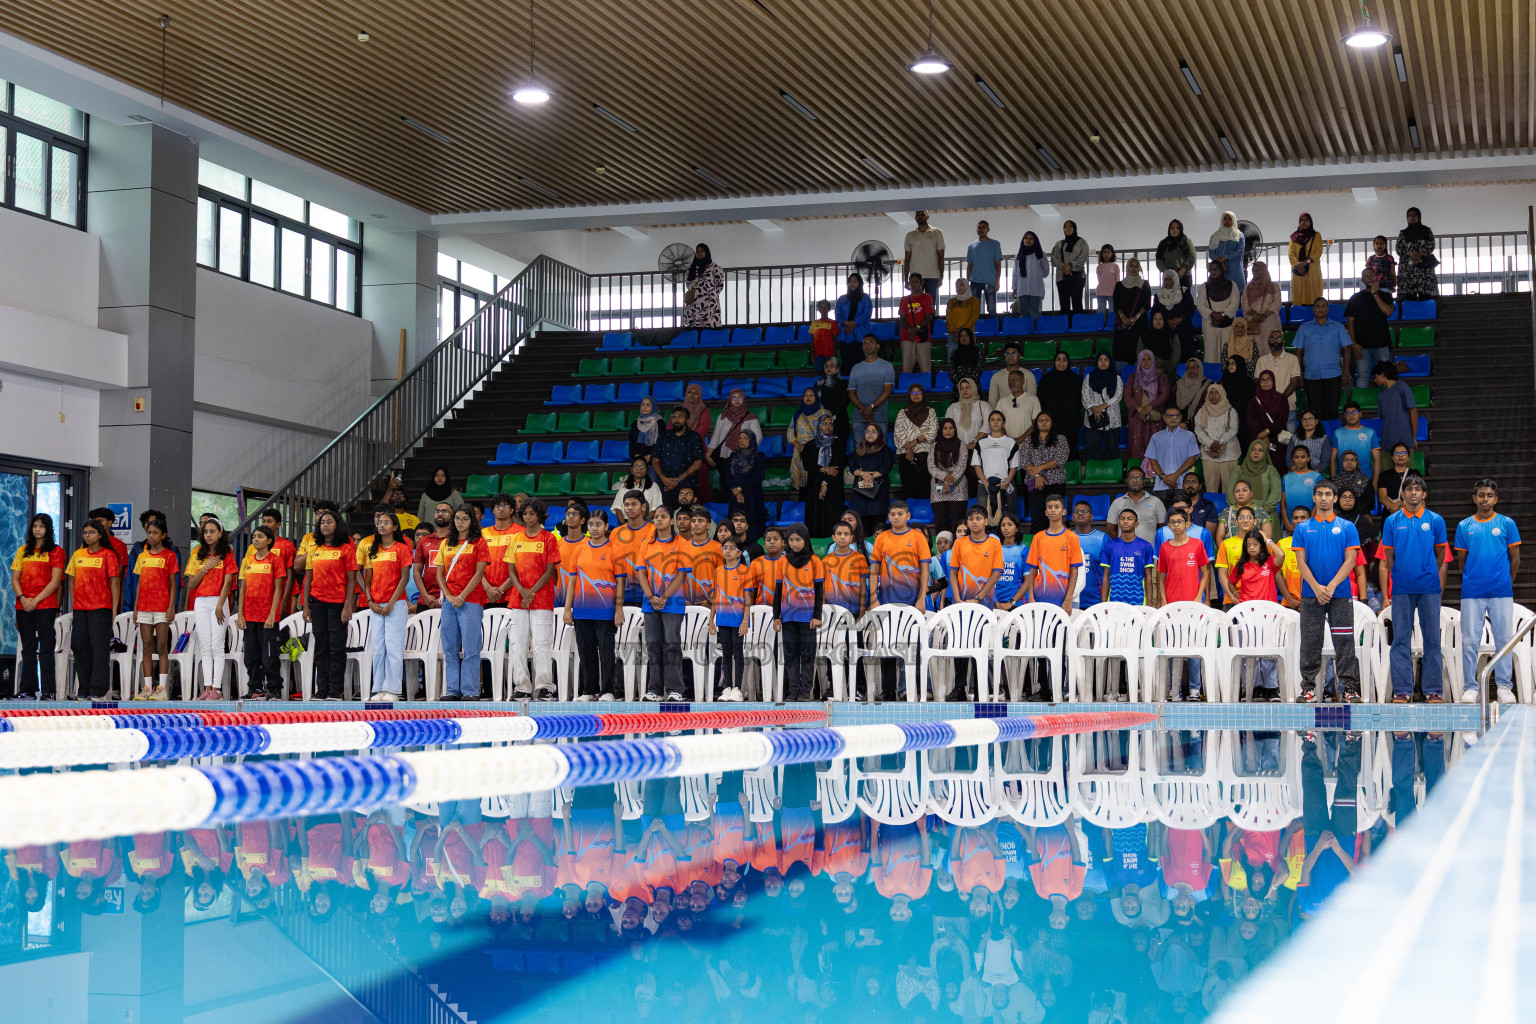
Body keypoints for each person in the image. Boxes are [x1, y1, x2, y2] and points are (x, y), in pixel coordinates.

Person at [1379, 474, 1447, 702]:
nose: (1414, 492)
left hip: (1429, 587)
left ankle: (1433, 690)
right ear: (1403, 494)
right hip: (1402, 587)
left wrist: (1428, 571)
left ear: (1424, 494)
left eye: (1418, 489)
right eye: (1409, 489)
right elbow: (1389, 556)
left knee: (1432, 639)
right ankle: (1402, 690)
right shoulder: (1391, 521)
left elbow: (1440, 554)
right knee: (1400, 639)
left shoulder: (1436, 520)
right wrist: (1401, 572)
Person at [1293, 480, 1362, 702]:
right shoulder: (1302, 528)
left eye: (1328, 494)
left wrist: (1330, 587)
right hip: (1311, 595)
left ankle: (1349, 688)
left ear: (1335, 498)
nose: (1324, 498)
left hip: (1339, 594)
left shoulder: (1347, 527)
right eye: (1320, 494)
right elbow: (1301, 563)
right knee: (1310, 643)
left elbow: (1351, 561)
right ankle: (1308, 689)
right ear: (1314, 498)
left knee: (1344, 642)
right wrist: (1316, 587)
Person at [1456, 479, 1522, 704]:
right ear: (1474, 498)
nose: (1485, 499)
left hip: (1501, 591)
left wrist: (1505, 581)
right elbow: (1462, 561)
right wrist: (1474, 578)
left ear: (1496, 499)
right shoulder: (1464, 526)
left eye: (1490, 495)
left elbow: (1515, 559)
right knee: (1469, 641)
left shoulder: (1507, 523)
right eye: (1481, 495)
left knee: (1504, 639)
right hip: (1472, 591)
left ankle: (1504, 687)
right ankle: (1470, 687)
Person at [563, 506, 624, 701]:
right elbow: (572, 582)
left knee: (606, 653)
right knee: (586, 652)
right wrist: (567, 609)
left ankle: (607, 691)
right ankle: (588, 691)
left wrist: (619, 610)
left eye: (598, 524)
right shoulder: (579, 549)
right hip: (582, 610)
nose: (594, 528)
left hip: (606, 611)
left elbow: (620, 582)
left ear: (606, 526)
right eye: (591, 524)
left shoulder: (615, 550)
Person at [505, 499, 563, 701]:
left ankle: (545, 687)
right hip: (518, 600)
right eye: (525, 514)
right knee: (518, 644)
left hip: (542, 599)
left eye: (532, 513)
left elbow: (550, 571)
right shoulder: (516, 538)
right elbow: (511, 570)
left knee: (541, 644)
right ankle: (522, 687)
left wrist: (531, 592)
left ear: (540, 515)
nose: (528, 517)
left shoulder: (549, 538)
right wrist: (522, 591)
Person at [637, 505, 692, 702]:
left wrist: (665, 597)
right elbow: (641, 573)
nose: (659, 520)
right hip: (650, 603)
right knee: (653, 646)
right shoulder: (646, 544)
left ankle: (675, 689)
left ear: (672, 521)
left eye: (663, 516)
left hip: (673, 603)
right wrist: (651, 596)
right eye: (656, 517)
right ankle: (655, 690)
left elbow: (681, 574)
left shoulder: (681, 543)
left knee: (671, 645)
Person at [1155, 509, 1211, 699]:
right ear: (1168, 525)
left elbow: (1205, 572)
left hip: (1193, 603)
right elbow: (1161, 576)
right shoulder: (1164, 547)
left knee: (1194, 646)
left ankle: (1195, 689)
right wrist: (1163, 600)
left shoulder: (1197, 544)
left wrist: (1199, 596)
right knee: (1172, 646)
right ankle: (1174, 689)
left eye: (1180, 521)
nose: (1176, 525)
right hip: (1171, 605)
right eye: (1172, 522)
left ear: (1187, 524)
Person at [435, 506, 489, 701]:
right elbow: (439, 573)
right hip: (449, 602)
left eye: (464, 519)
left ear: (471, 521)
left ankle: (470, 690)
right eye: (457, 518)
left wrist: (462, 596)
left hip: (471, 600)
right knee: (449, 647)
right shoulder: (446, 543)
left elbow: (479, 573)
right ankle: (452, 690)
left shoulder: (479, 542)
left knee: (471, 647)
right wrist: (449, 595)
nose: (460, 522)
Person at [65, 518, 120, 700]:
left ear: (100, 535)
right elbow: (71, 581)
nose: (87, 536)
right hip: (80, 609)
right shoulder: (78, 554)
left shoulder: (108, 555)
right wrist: (75, 603)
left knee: (99, 649)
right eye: (85, 532)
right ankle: (84, 689)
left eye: (91, 532)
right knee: (80, 647)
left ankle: (97, 689)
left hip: (101, 608)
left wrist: (113, 609)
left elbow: (115, 583)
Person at [11, 513, 65, 700]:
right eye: (35, 526)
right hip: (23, 605)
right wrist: (23, 598)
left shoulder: (56, 551)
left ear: (48, 529)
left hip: (45, 605)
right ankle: (28, 690)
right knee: (27, 648)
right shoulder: (22, 550)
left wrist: (35, 600)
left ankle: (48, 691)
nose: (37, 529)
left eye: (41, 526)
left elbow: (55, 582)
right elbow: (15, 579)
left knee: (46, 648)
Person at [185, 517, 238, 701]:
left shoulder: (227, 553)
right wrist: (205, 568)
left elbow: (228, 582)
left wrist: (220, 605)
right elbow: (191, 584)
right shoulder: (197, 553)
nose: (208, 535)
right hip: (200, 601)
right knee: (205, 645)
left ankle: (217, 688)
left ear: (220, 533)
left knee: (217, 644)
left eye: (212, 531)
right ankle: (207, 688)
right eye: (206, 532)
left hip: (219, 600)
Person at [129, 516, 178, 700]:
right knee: (146, 646)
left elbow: (173, 584)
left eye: (155, 533)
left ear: (163, 535)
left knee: (162, 646)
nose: (151, 536)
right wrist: (136, 608)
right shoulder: (142, 556)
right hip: (144, 607)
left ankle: (162, 688)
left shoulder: (170, 556)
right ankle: (147, 688)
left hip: (162, 607)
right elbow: (139, 584)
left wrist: (171, 606)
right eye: (149, 533)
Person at [774, 524, 824, 701]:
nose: (794, 543)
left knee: (808, 655)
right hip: (788, 617)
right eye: (791, 540)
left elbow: (819, 591)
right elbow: (778, 591)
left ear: (806, 540)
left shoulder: (815, 561)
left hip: (808, 617)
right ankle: (793, 690)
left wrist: (817, 616)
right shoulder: (782, 561)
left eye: (798, 539)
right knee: (790, 655)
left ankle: (805, 691)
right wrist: (776, 616)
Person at [238, 524, 286, 701]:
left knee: (269, 655)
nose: (255, 539)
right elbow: (242, 588)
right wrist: (240, 614)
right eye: (254, 537)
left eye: (260, 536)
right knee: (251, 655)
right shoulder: (247, 561)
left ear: (269, 540)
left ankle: (274, 689)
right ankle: (255, 688)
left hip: (268, 617)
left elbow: (278, 589)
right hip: (250, 615)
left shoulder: (275, 560)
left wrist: (272, 614)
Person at [708, 535, 750, 700]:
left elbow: (748, 600)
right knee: (726, 654)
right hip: (723, 619)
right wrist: (711, 620)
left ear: (739, 553)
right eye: (725, 547)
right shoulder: (718, 571)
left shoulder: (744, 571)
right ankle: (727, 688)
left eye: (732, 548)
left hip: (738, 619)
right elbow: (715, 597)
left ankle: (737, 688)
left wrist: (745, 621)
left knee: (737, 653)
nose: (727, 551)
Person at [1024, 496, 1082, 611]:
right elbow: (1033, 569)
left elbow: (1074, 570)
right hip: (1040, 596)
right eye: (1050, 507)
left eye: (1057, 507)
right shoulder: (1038, 537)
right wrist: (1031, 595)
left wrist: (1068, 599)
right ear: (1046, 512)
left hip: (1062, 598)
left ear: (1064, 511)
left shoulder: (1072, 537)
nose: (1053, 510)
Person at [872, 500, 931, 611]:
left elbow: (925, 570)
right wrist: (873, 599)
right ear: (888, 517)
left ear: (908, 516)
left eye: (900, 514)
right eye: (893, 514)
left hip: (913, 599)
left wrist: (921, 598)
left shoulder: (918, 537)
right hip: (885, 599)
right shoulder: (880, 538)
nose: (896, 517)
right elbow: (874, 570)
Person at [1018, 412, 1070, 531]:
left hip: (1055, 483)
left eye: (1047, 420)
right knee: (1037, 518)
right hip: (1035, 483)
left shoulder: (1060, 439)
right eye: (1040, 420)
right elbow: (1025, 461)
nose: (1043, 423)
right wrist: (1037, 475)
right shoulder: (1028, 441)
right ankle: (1038, 541)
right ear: (1036, 424)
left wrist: (1040, 468)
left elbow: (1060, 459)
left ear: (1052, 423)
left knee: (1055, 517)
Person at [1345, 268, 1395, 390]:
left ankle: (1387, 400)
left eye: (1372, 274)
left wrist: (1375, 294)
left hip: (1382, 344)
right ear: (1362, 280)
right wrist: (1353, 344)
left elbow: (1388, 312)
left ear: (1377, 277)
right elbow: (1350, 323)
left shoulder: (1386, 296)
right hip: (1362, 347)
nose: (1370, 277)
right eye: (1366, 276)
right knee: (1362, 377)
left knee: (1386, 376)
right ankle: (1361, 401)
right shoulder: (1355, 298)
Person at [703, 388, 758, 492]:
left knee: (742, 487)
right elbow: (716, 437)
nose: (737, 400)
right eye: (734, 397)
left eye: (740, 397)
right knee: (727, 487)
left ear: (744, 399)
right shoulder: (722, 417)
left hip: (744, 458)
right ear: (729, 400)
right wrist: (708, 454)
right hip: (725, 457)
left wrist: (746, 452)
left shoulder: (751, 418)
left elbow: (757, 438)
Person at [1142, 406, 1201, 502]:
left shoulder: (1189, 436)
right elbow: (1153, 460)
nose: (1172, 418)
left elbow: (1192, 458)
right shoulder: (1156, 437)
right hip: (1161, 485)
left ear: (1180, 418)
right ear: (1164, 418)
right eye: (1169, 415)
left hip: (1182, 485)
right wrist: (1163, 477)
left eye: (1175, 415)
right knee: (1161, 512)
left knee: (1182, 511)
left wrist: (1175, 475)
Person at [653, 405, 707, 506]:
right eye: (674, 417)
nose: (676, 420)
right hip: (665, 484)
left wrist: (678, 479)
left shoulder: (695, 437)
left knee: (685, 513)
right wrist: (664, 479)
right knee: (665, 513)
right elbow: (655, 460)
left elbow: (698, 462)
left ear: (687, 419)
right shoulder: (664, 436)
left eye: (680, 417)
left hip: (687, 484)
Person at [804, 414, 847, 537]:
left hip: (833, 485)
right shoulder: (810, 445)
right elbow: (808, 465)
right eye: (825, 424)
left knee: (832, 517)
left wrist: (825, 483)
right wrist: (824, 469)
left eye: (831, 424)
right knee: (815, 517)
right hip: (814, 486)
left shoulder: (838, 443)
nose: (828, 427)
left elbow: (837, 466)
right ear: (819, 426)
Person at [478, 493, 523, 610]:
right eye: (498, 506)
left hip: (511, 595)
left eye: (506, 506)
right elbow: (475, 565)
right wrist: (488, 588)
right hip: (485, 594)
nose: (501, 509)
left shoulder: (521, 533)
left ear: (512, 510)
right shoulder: (482, 534)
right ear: (493, 510)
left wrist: (501, 590)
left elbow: (522, 567)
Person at [1101, 509, 1156, 605]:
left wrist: (1149, 602)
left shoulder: (1145, 546)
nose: (1125, 521)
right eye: (1122, 519)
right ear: (1118, 524)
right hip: (1114, 600)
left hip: (1139, 600)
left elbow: (1148, 577)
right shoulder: (1110, 545)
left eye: (1129, 519)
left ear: (1136, 524)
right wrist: (1104, 602)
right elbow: (1106, 576)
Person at [1253, 328, 1302, 433]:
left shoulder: (1292, 359)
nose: (1275, 340)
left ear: (1283, 341)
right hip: (1267, 407)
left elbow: (1294, 383)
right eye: (1272, 338)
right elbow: (1258, 382)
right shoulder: (1261, 360)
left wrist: (1280, 400)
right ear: (1268, 341)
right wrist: (1271, 401)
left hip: (1288, 406)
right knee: (1270, 438)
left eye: (1279, 338)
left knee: (1289, 439)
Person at [893, 384, 937, 501]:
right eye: (913, 393)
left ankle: (923, 508)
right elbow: (898, 432)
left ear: (923, 395)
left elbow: (932, 431)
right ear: (909, 395)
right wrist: (908, 449)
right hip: (905, 452)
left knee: (924, 486)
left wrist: (914, 442)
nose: (916, 395)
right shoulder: (903, 412)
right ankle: (909, 509)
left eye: (919, 393)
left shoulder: (930, 411)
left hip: (924, 452)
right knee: (908, 486)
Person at [972, 411, 1018, 520]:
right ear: (989, 423)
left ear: (1003, 423)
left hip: (1005, 484)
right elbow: (977, 465)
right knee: (983, 517)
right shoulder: (981, 443)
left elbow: (1014, 466)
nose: (995, 422)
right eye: (992, 420)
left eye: (999, 419)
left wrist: (1007, 482)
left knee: (1008, 518)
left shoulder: (1010, 442)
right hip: (984, 485)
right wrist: (986, 483)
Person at [1036, 350, 1082, 461]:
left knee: (1070, 449)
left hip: (1070, 422)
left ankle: (1071, 470)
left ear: (1068, 362)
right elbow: (1041, 400)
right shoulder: (1046, 380)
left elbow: (1080, 400)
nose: (1061, 362)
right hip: (1052, 422)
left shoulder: (1076, 379)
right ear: (1054, 362)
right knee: (1051, 451)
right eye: (1058, 359)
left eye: (1064, 360)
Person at [928, 418, 971, 537]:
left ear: (955, 430)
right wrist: (946, 477)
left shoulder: (961, 445)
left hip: (958, 487)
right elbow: (931, 467)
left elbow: (961, 465)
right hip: (938, 488)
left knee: (958, 523)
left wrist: (949, 481)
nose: (948, 431)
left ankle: (959, 547)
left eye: (951, 428)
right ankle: (943, 547)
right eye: (945, 428)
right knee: (941, 523)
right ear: (941, 430)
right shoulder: (934, 446)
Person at [850, 424, 895, 536]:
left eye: (874, 431)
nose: (870, 434)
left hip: (878, 490)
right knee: (862, 525)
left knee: (878, 524)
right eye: (868, 431)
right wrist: (863, 474)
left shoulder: (885, 450)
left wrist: (870, 477)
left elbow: (887, 466)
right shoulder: (859, 449)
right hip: (861, 491)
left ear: (879, 434)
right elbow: (852, 467)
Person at [722, 429, 768, 540]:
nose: (741, 441)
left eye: (745, 438)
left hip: (752, 498)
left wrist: (740, 488)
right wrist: (737, 492)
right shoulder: (733, 456)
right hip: (735, 497)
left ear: (752, 440)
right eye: (740, 438)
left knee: (753, 529)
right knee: (734, 527)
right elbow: (727, 476)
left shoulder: (759, 456)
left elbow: (758, 477)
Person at [848, 335, 896, 439]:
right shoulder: (856, 368)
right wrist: (863, 410)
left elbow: (887, 391)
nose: (867, 345)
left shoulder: (887, 366)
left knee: (880, 446)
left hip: (879, 416)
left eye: (871, 342)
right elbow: (851, 393)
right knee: (859, 447)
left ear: (877, 346)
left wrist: (871, 407)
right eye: (865, 343)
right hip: (859, 416)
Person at [1194, 383, 1239, 492]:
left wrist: (1220, 442)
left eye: (1216, 392)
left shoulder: (1230, 411)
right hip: (1209, 455)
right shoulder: (1202, 411)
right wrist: (1210, 443)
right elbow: (1198, 430)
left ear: (1222, 394)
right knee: (1211, 488)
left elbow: (1233, 429)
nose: (1213, 395)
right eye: (1211, 393)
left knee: (1229, 489)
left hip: (1229, 455)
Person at [787, 387, 832, 496]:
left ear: (816, 397)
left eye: (811, 395)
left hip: (819, 453)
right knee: (804, 490)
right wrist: (798, 445)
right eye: (805, 395)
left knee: (817, 486)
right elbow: (790, 432)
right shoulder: (798, 413)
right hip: (801, 452)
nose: (808, 397)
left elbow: (830, 431)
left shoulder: (824, 413)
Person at [1246, 370, 1291, 474]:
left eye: (1268, 379)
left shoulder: (1282, 399)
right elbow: (1250, 422)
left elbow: (1281, 420)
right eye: (1262, 379)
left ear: (1273, 381)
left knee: (1277, 469)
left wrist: (1267, 431)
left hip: (1277, 440)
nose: (1265, 382)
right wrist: (1263, 436)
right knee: (1259, 471)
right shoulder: (1253, 401)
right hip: (1258, 439)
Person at [1108, 467, 1167, 544]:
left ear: (1144, 482)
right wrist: (1123, 544)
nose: (1135, 481)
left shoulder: (1156, 502)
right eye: (1132, 478)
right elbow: (1111, 530)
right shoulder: (1117, 503)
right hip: (1124, 548)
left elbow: (1162, 529)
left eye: (1139, 478)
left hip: (1149, 549)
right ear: (1127, 481)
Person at [1105, 260, 1148, 367]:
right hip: (1123, 326)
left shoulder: (1144, 284)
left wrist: (1136, 317)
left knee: (1139, 356)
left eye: (1136, 266)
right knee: (1122, 357)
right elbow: (1116, 305)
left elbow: (1147, 304)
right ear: (1127, 268)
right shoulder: (1119, 285)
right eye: (1131, 266)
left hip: (1139, 325)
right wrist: (1123, 317)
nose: (1134, 269)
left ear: (1139, 268)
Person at [1127, 350, 1169, 459]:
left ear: (1153, 361)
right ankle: (1137, 469)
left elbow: (1164, 395)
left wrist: (1149, 407)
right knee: (1138, 447)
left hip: (1155, 417)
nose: (1146, 362)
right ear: (1139, 361)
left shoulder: (1161, 377)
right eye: (1143, 359)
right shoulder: (1133, 377)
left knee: (1156, 449)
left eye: (1149, 359)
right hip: (1138, 417)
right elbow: (1127, 396)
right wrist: (1139, 409)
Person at [1229, 440, 1282, 525]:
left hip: (1266, 514)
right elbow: (1230, 491)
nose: (1256, 452)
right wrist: (1240, 510)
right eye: (1253, 449)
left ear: (1265, 454)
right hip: (1240, 514)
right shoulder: (1238, 470)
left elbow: (1276, 492)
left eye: (1260, 450)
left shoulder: (1270, 470)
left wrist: (1264, 511)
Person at [1082, 351, 1123, 459]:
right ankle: (1093, 469)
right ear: (1096, 362)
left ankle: (1113, 469)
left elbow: (1118, 395)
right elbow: (1085, 395)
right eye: (1100, 360)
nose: (1103, 362)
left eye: (1106, 360)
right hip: (1093, 418)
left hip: (1112, 420)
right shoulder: (1089, 377)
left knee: (1112, 452)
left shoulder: (1116, 378)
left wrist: (1103, 406)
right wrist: (1093, 408)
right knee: (1093, 452)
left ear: (1110, 362)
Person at [1373, 361, 1419, 456]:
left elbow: (1413, 412)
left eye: (1376, 376)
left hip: (1405, 440)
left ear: (1383, 374)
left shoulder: (1402, 387)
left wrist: (1413, 437)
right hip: (1387, 441)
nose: (1374, 380)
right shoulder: (1381, 396)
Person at [1151, 271, 1195, 368]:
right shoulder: (1158, 295)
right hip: (1165, 332)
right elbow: (1155, 313)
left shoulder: (1184, 292)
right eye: (1166, 279)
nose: (1168, 282)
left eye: (1171, 279)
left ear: (1176, 279)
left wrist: (1181, 319)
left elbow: (1190, 309)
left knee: (1185, 358)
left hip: (1183, 330)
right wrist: (1165, 322)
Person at [1196, 260, 1240, 357]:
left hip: (1227, 323)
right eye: (1212, 269)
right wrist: (1213, 314)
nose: (1214, 272)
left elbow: (1235, 303)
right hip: (1210, 323)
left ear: (1221, 270)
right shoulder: (1204, 287)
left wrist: (1222, 315)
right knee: (1211, 352)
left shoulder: (1232, 285)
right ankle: (1211, 368)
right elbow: (1200, 305)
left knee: (1227, 351)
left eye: (1217, 269)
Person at [1071, 500, 1108, 609]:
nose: (1080, 513)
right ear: (1072, 517)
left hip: (1096, 600)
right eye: (1077, 511)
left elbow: (1108, 572)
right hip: (1071, 600)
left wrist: (1105, 602)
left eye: (1084, 511)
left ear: (1091, 516)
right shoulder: (1066, 538)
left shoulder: (1103, 538)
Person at [1395, 207, 1438, 301]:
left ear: (1419, 217)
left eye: (1414, 215)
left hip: (1424, 267)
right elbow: (1398, 249)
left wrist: (1420, 253)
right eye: (1409, 216)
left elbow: (1431, 245)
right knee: (1409, 296)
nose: (1411, 218)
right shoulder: (1403, 233)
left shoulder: (1426, 231)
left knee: (1425, 295)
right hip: (1408, 269)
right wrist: (1410, 254)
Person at [903, 210, 945, 303]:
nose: (920, 216)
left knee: (930, 305)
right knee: (916, 305)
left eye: (922, 214)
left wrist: (941, 276)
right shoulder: (910, 235)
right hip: (915, 277)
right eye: (918, 215)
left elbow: (941, 256)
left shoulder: (937, 232)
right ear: (915, 218)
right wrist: (906, 280)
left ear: (927, 216)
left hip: (933, 275)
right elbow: (907, 259)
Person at [1331, 401, 1380, 480]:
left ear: (1360, 414)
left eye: (1354, 412)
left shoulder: (1370, 432)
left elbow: (1377, 460)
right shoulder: (1338, 433)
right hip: (1342, 479)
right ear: (1344, 416)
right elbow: (1333, 459)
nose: (1351, 415)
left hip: (1365, 478)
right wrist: (1333, 481)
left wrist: (1374, 483)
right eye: (1347, 413)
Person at [835, 272, 873, 370]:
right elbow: (838, 314)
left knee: (861, 364)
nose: (852, 283)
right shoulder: (842, 299)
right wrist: (846, 323)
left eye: (855, 281)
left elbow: (867, 314)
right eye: (850, 281)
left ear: (860, 283)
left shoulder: (866, 298)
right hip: (845, 335)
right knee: (847, 363)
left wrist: (853, 323)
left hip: (862, 335)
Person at [1050, 220, 1089, 314]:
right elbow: (1054, 257)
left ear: (1074, 228)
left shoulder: (1082, 242)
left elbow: (1083, 257)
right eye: (1065, 226)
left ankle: (1077, 323)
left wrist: (1070, 265)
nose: (1067, 228)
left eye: (1070, 226)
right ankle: (1065, 323)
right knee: (1064, 307)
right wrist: (1063, 266)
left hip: (1077, 277)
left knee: (1077, 306)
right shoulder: (1059, 244)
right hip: (1062, 278)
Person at [992, 513, 1029, 612]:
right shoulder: (994, 549)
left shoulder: (1024, 550)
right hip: (996, 603)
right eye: (1003, 525)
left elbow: (1028, 581)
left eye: (1010, 524)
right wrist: (995, 601)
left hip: (1018, 603)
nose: (1006, 528)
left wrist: (1011, 602)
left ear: (1016, 529)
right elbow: (988, 578)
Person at [681, 243, 724, 328]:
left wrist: (711, 293)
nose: (699, 253)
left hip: (709, 301)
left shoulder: (714, 267)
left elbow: (719, 284)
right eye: (697, 251)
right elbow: (688, 284)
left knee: (709, 325)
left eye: (702, 251)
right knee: (694, 326)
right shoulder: (691, 268)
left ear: (706, 252)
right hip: (694, 300)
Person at [966, 218, 1003, 316]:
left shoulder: (995, 244)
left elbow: (998, 264)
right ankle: (975, 326)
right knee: (974, 310)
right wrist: (967, 282)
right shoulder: (971, 246)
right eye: (979, 227)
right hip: (975, 282)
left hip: (990, 281)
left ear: (988, 229)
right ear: (976, 230)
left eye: (983, 227)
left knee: (991, 308)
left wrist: (997, 281)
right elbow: (969, 265)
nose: (981, 229)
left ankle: (993, 325)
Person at [902, 271, 937, 371]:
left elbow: (928, 316)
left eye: (917, 282)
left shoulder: (927, 297)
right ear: (909, 284)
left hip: (923, 336)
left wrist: (916, 329)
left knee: (925, 367)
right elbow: (902, 317)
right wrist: (910, 330)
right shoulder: (904, 299)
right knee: (906, 367)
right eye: (911, 282)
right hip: (907, 336)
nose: (914, 284)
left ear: (922, 283)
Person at [1287, 213, 1324, 308]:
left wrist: (1306, 262)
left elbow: (1318, 251)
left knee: (1313, 292)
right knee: (1299, 292)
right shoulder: (1294, 237)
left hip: (1312, 269)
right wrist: (1298, 264)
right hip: (1299, 270)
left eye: (1306, 220)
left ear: (1310, 222)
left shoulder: (1316, 235)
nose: (1304, 222)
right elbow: (1290, 253)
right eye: (1301, 220)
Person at [1287, 409, 1334, 482]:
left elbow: (1325, 461)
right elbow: (1288, 457)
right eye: (1304, 419)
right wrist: (1296, 470)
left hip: (1316, 475)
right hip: (1297, 474)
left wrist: (1312, 474)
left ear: (1316, 421)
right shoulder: (1294, 437)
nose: (1307, 422)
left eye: (1310, 418)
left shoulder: (1324, 438)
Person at [1207, 210, 1247, 296]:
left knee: (1238, 293)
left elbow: (1239, 252)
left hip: (1235, 269)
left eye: (1230, 219)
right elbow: (1211, 253)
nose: (1227, 221)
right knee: (1220, 293)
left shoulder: (1239, 235)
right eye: (1225, 219)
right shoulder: (1215, 236)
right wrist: (1220, 263)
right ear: (1222, 220)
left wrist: (1225, 257)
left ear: (1233, 220)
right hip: (1219, 269)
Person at [1244, 260, 1283, 347]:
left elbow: (1277, 303)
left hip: (1269, 321)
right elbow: (1244, 305)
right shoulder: (1248, 288)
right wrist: (1255, 315)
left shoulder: (1274, 286)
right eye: (1254, 270)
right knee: (1254, 347)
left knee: (1270, 345)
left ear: (1264, 270)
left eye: (1258, 269)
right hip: (1253, 322)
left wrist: (1263, 316)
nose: (1256, 272)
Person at [1012, 230, 1050, 316]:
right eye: (1026, 238)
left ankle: (1035, 326)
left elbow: (1046, 271)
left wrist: (1037, 275)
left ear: (1035, 240)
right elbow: (1015, 273)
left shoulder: (1040, 254)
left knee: (1035, 312)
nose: (1028, 240)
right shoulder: (1019, 255)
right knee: (1023, 312)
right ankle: (1026, 326)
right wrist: (1014, 288)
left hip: (1036, 288)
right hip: (1022, 288)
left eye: (1031, 238)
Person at [814, 356, 851, 446]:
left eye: (832, 366)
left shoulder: (845, 383)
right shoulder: (818, 384)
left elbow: (844, 401)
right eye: (826, 366)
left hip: (840, 422)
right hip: (823, 421)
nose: (828, 368)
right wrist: (825, 412)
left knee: (840, 449)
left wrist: (832, 412)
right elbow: (816, 401)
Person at [996, 368, 1041, 439]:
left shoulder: (1033, 399)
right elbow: (998, 423)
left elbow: (1036, 423)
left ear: (1023, 381)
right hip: (1007, 442)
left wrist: (1021, 439)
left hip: (1027, 442)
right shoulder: (1002, 401)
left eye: (1015, 380)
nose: (1012, 382)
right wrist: (1009, 440)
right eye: (1010, 380)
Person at [1282, 446, 1323, 519]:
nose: (1299, 460)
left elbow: (1320, 501)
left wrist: (1310, 519)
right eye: (1296, 457)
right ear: (1293, 459)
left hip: (1312, 520)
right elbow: (1283, 502)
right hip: (1291, 521)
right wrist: (1286, 521)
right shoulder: (1286, 478)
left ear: (1308, 458)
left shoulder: (1317, 477)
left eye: (1303, 457)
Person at [1155, 218, 1198, 288]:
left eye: (1177, 228)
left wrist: (1183, 270)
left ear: (1180, 229)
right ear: (1169, 230)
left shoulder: (1186, 241)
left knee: (1184, 294)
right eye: (1172, 228)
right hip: (1168, 278)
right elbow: (1159, 259)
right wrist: (1166, 272)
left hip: (1184, 275)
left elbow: (1192, 256)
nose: (1174, 230)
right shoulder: (1163, 243)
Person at [1377, 442, 1415, 516]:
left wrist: (1403, 505)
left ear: (1409, 457)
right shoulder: (1384, 475)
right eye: (1396, 453)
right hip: (1390, 513)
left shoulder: (1415, 474)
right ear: (1392, 457)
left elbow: (1419, 494)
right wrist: (1392, 506)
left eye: (1403, 453)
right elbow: (1382, 497)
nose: (1400, 455)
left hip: (1410, 511)